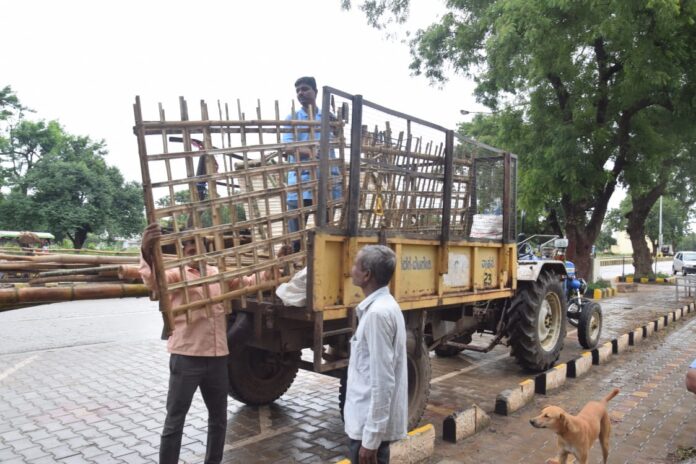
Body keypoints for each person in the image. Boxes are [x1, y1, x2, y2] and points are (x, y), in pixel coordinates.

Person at [139, 223, 229, 464]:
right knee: (175, 419)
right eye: (186, 244)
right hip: (187, 357)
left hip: (218, 356)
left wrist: (277, 265)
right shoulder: (177, 274)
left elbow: (248, 281)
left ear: (205, 247)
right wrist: (146, 250)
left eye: (194, 243)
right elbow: (153, 280)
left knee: (219, 418)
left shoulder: (216, 273)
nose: (190, 248)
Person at [344, 245, 407, 464]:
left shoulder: (378, 315)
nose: (351, 269)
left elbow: (383, 381)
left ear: (367, 275)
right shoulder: (384, 307)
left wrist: (370, 440)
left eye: (355, 265)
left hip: (367, 433)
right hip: (365, 429)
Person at [282, 76, 342, 250]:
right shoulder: (292, 118)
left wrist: (337, 126)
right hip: (300, 184)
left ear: (315, 92)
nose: (301, 93)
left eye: (305, 89)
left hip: (326, 183)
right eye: (298, 90)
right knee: (296, 239)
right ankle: (295, 271)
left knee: (324, 233)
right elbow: (287, 147)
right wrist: (312, 153)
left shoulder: (327, 117)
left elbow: (339, 139)